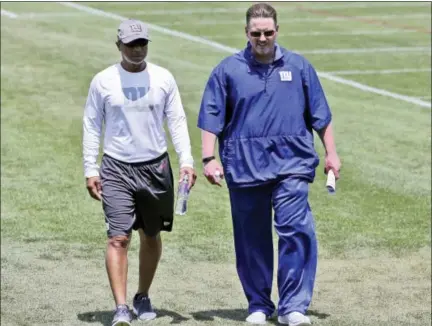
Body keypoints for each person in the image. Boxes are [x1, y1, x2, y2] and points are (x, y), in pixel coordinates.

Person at [197, 3, 341, 326]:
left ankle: (293, 306)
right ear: (246, 33)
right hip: (245, 169)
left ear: (278, 31)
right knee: (251, 239)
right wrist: (209, 158)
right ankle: (259, 304)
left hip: (292, 165)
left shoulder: (300, 67)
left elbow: (321, 115)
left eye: (268, 32)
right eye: (256, 33)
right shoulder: (227, 70)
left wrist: (331, 152)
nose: (262, 38)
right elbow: (211, 117)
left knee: (296, 231)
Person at [82, 19, 196, 326]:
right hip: (116, 167)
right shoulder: (103, 81)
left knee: (151, 235)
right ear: (119, 45)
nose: (137, 49)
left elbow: (177, 121)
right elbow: (92, 125)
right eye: (131, 44)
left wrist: (187, 160)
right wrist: (90, 168)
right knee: (118, 238)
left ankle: (142, 295)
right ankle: (121, 307)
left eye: (142, 43)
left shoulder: (163, 78)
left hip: (155, 167)